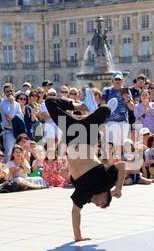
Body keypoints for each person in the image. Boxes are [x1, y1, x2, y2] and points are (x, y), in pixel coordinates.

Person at [44, 96, 126, 241]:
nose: (97, 204)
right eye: (102, 203)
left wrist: (78, 237)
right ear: (106, 194)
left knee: (50, 102)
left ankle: (78, 106)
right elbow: (122, 165)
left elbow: (75, 212)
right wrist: (118, 188)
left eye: (99, 206)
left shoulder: (85, 194)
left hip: (71, 135)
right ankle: (101, 108)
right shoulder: (106, 183)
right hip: (86, 136)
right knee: (105, 110)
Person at [102, 72, 134, 148]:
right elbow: (102, 106)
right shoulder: (107, 91)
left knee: (123, 146)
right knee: (110, 146)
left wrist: (127, 100)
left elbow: (132, 108)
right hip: (110, 122)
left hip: (123, 122)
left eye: (119, 79)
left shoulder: (127, 91)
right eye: (116, 79)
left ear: (122, 80)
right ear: (112, 80)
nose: (117, 80)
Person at [0, 83, 23, 162]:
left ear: (14, 91)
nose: (9, 93)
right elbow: (12, 115)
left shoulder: (17, 104)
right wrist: (12, 103)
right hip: (8, 131)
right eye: (7, 91)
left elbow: (19, 117)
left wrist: (12, 119)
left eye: (11, 91)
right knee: (9, 153)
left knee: (18, 152)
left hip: (17, 131)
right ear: (4, 93)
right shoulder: (3, 103)